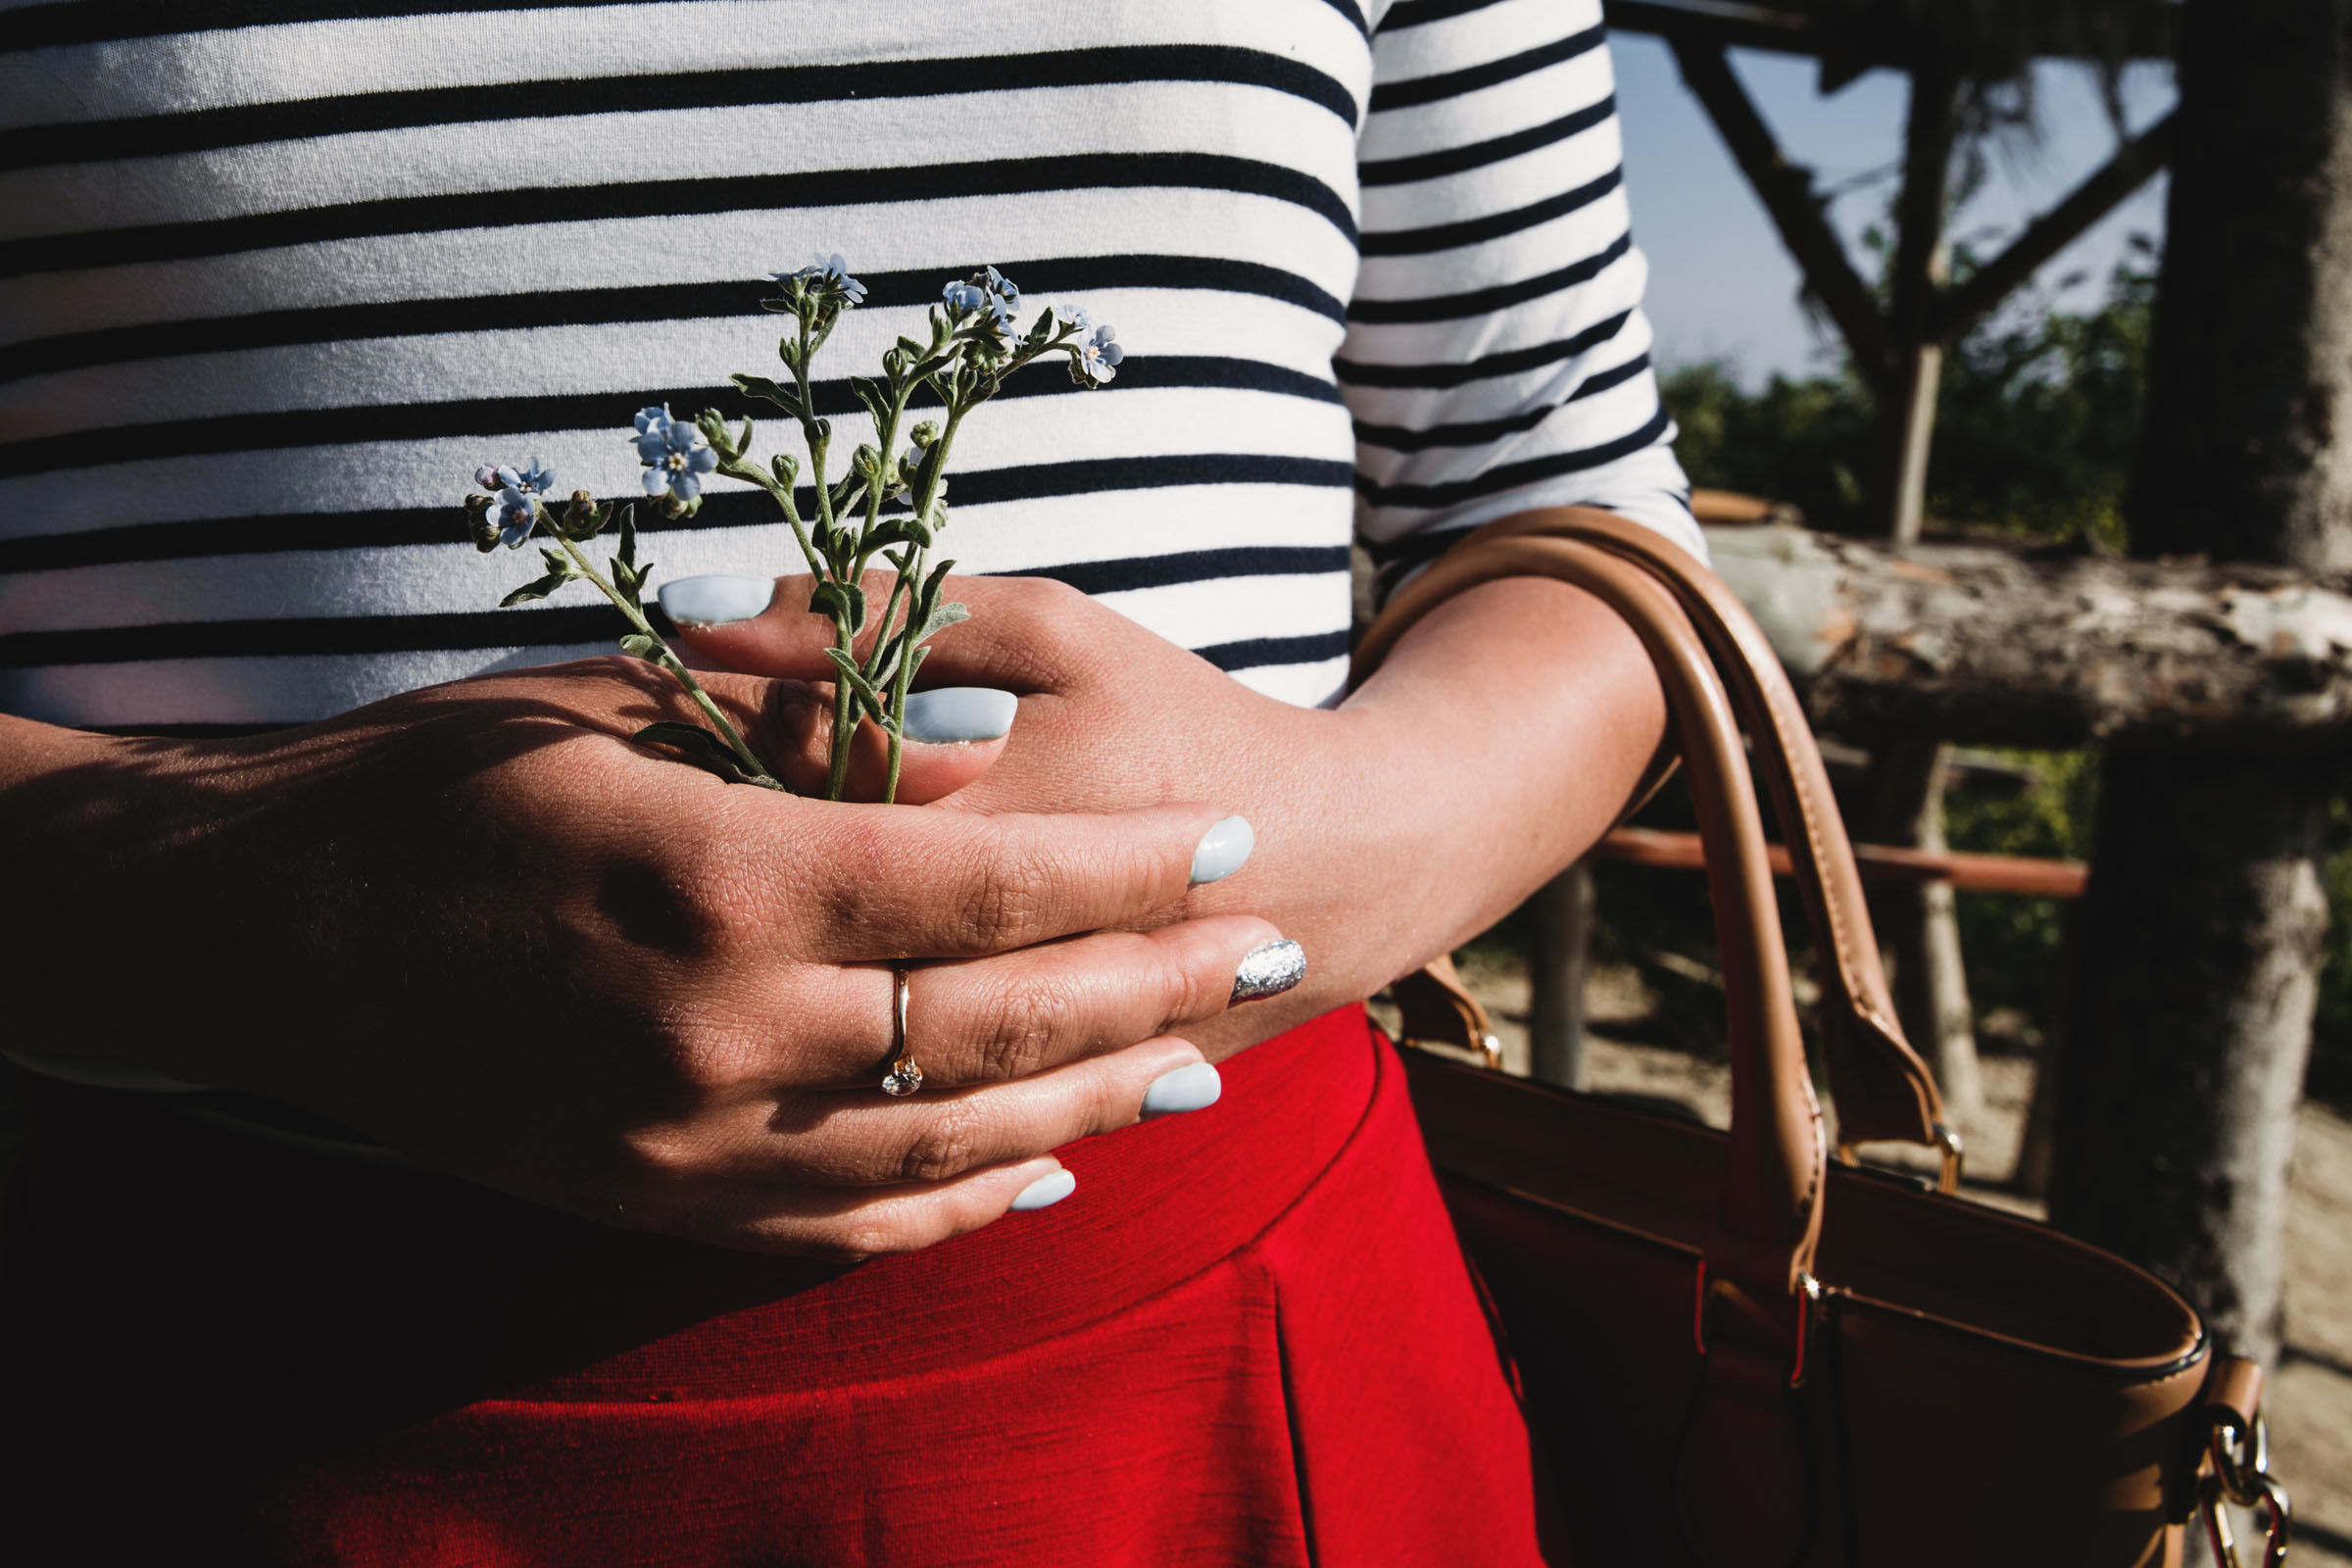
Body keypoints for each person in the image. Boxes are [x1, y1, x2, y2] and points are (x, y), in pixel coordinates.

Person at [0, 0, 1691, 1559]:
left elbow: (1556, 480)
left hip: (1209, 1335)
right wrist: (239, 915)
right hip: (216, 1368)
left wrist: (1294, 872)